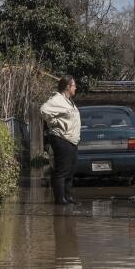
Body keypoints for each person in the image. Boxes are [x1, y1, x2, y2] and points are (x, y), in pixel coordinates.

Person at [40, 75, 81, 205]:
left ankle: (68, 197)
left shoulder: (68, 101)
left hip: (71, 139)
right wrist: (54, 122)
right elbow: (43, 110)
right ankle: (60, 199)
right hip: (61, 137)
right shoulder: (57, 99)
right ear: (67, 86)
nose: (75, 87)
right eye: (74, 85)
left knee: (71, 169)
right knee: (62, 170)